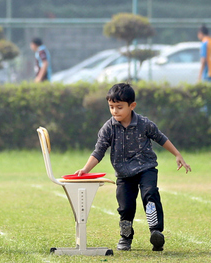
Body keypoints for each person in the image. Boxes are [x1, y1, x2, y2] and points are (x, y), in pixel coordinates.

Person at [74, 82, 191, 251]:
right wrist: (85, 169)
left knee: (150, 195)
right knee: (125, 207)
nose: (115, 111)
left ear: (132, 106)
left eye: (119, 107)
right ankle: (126, 237)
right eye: (111, 107)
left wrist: (177, 155)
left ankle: (155, 232)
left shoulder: (144, 123)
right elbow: (99, 151)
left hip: (146, 168)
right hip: (123, 174)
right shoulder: (108, 128)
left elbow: (160, 138)